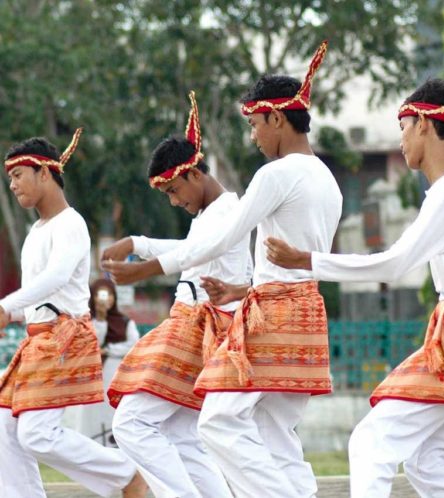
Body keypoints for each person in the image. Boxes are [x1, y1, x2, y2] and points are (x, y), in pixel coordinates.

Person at [265, 59, 444, 498]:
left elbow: (392, 264)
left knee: (370, 442)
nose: (400, 139)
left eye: (403, 127)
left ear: (424, 123)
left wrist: (308, 261)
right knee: (433, 463)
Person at [104, 42, 342, 498]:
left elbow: (223, 236)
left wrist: (148, 265)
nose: (253, 136)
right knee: (276, 438)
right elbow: (305, 259)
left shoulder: (276, 175)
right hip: (306, 311)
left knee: (216, 424)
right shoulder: (326, 179)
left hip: (272, 314)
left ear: (276, 118)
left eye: (254, 124)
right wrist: (237, 286)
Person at [100, 92, 246, 498]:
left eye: (173, 190)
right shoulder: (211, 214)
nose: (174, 200)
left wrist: (140, 268)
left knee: (130, 423)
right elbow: (188, 250)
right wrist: (138, 242)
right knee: (182, 435)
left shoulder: (229, 212)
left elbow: (193, 253)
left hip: (198, 325)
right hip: (194, 325)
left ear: (195, 175)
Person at [0, 130, 146, 497]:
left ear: (45, 173)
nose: (13, 185)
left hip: (65, 338)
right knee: (3, 424)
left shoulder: (71, 223)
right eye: (10, 178)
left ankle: (127, 474)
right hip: (40, 338)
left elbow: (58, 278)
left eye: (18, 175)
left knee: (36, 433)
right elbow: (44, 299)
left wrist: (5, 306)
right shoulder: (35, 231)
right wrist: (13, 316)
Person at [64, 278, 139, 446]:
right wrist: (101, 318)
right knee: (90, 414)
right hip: (92, 376)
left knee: (113, 412)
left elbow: (133, 345)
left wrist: (109, 350)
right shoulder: (86, 321)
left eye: (109, 294)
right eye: (101, 295)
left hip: (114, 375)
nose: (106, 299)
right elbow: (92, 343)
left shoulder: (124, 322)